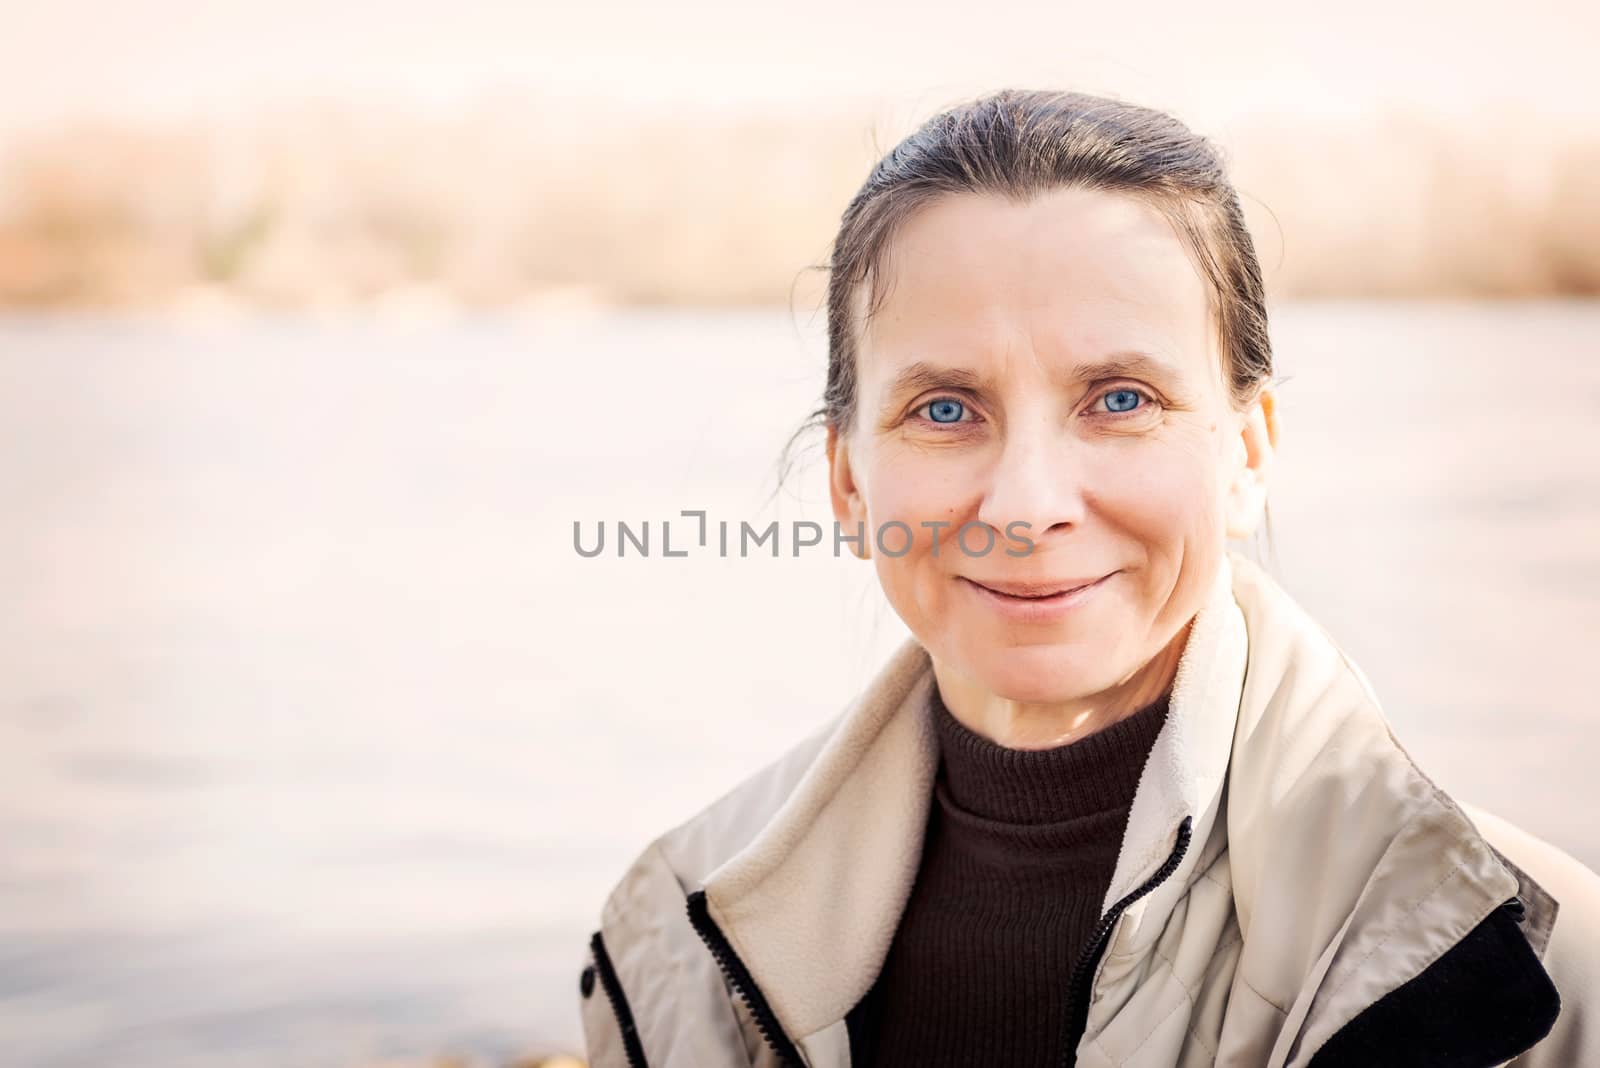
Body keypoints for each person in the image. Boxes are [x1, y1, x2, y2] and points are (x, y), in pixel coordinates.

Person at [574, 88, 1600, 1067]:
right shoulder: (676, 942)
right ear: (848, 483)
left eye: (1119, 399)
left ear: (1245, 453)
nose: (1026, 506)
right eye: (944, 409)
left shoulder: (1528, 968)